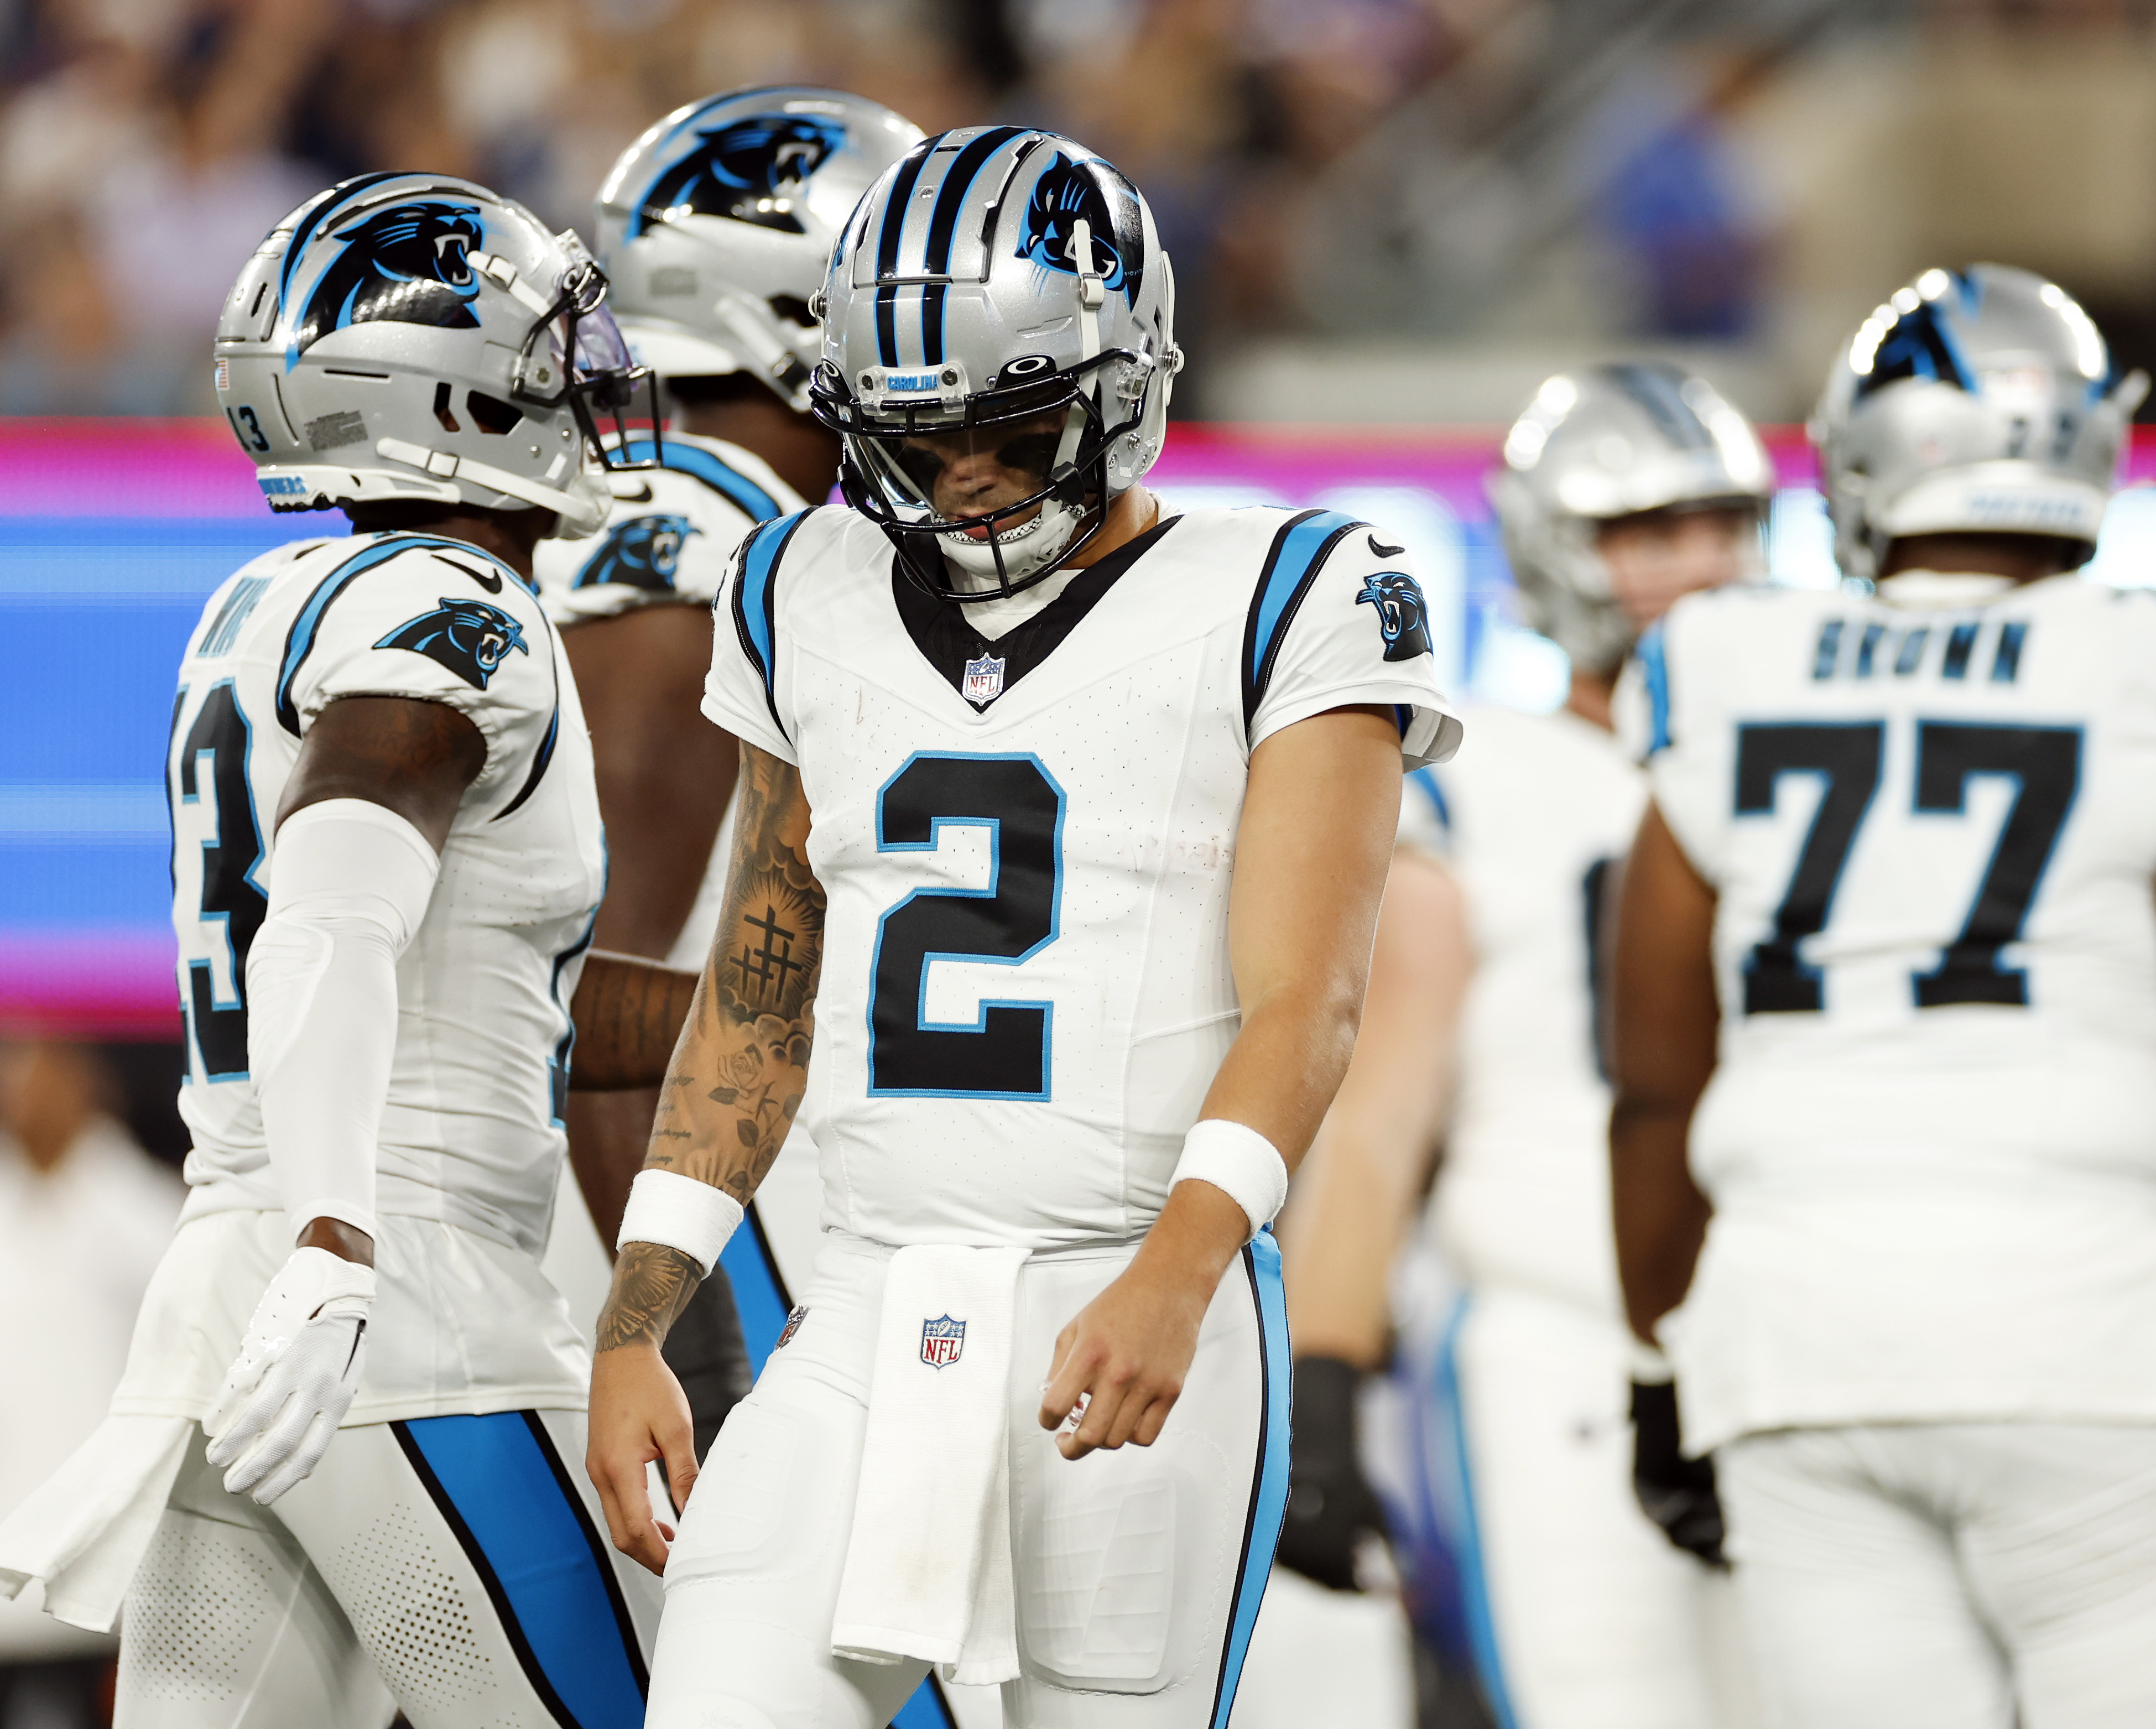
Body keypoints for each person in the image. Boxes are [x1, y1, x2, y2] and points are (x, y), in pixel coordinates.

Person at [582, 128, 1459, 1729]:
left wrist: (1182, 1269)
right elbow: (765, 983)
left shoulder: (1293, 582)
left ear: (1126, 373)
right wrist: (641, 1310)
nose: (963, 474)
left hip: (1121, 1286)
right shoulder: (794, 580)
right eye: (915, 437)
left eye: (1007, 422)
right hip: (861, 1302)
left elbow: (1307, 1003)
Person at [1607, 263, 2156, 1728]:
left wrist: (1654, 1357)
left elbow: (1653, 1085)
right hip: (2103, 1332)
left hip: (1796, 1339)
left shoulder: (1721, 664)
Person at [0, 171, 695, 1728]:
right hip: (394, 1288)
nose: (580, 382)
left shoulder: (257, 600)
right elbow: (332, 901)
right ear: (449, 395)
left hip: (234, 1281)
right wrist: (336, 1240)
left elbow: (488, 984)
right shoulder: (465, 608)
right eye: (542, 354)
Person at [1272, 360, 1770, 1728]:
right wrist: (1324, 1371)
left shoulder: (1811, 762)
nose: (1703, 565)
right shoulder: (1475, 780)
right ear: (1558, 547)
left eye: (1723, 524)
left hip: (1785, 1338)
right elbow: (1379, 1109)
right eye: (1651, 530)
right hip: (1562, 1340)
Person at [534, 82, 927, 1456]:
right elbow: (591, 998)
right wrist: (680, 1340)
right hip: (677, 1221)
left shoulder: (713, 522)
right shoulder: (702, 545)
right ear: (798, 311)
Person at [0, 1042, 182, 1729]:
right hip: (9, 1524)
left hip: (105, 1532)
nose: (26, 1103)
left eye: (41, 1085)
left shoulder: (141, 1208)